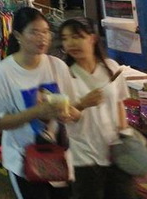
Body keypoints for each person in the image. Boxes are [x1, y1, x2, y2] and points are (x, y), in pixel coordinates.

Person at [0, 7, 80, 199]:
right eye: (34, 32)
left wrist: (69, 114)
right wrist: (38, 111)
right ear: (18, 36)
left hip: (59, 158)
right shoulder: (2, 73)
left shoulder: (57, 66)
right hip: (23, 160)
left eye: (45, 32)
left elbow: (75, 110)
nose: (42, 38)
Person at [60, 17, 135, 199]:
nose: (71, 43)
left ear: (92, 38)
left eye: (77, 36)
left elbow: (119, 105)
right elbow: (63, 116)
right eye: (65, 38)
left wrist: (125, 139)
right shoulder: (64, 75)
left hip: (114, 153)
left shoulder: (111, 68)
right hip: (83, 157)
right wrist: (83, 104)